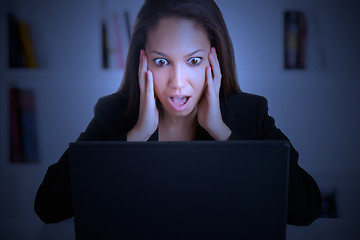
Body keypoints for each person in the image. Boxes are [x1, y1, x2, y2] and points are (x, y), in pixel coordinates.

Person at [34, 0, 321, 226]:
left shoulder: (250, 114)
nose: (178, 82)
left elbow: (306, 207)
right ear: (142, 60)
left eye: (193, 60)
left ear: (214, 58)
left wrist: (223, 133)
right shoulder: (113, 115)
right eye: (162, 62)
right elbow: (48, 205)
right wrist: (133, 139)